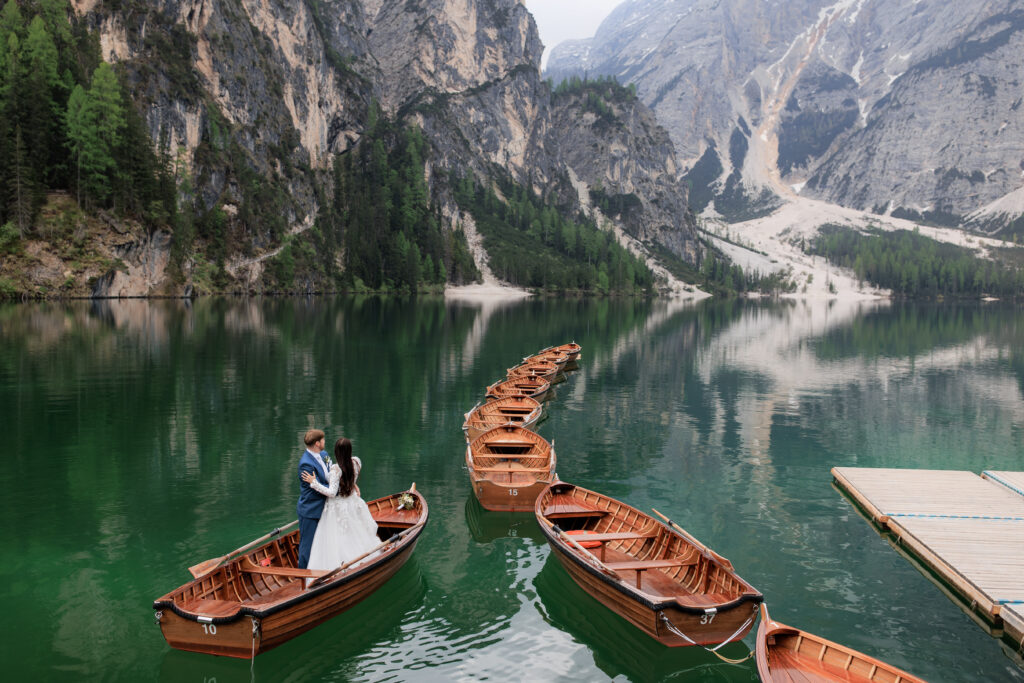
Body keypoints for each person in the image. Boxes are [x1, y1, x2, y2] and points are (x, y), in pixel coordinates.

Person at [300, 437, 380, 572]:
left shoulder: (336, 470)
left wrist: (314, 483)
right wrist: (353, 485)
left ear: (337, 452)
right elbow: (350, 478)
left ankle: (339, 566)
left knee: (337, 538)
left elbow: (331, 493)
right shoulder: (356, 462)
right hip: (352, 503)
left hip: (337, 507)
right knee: (354, 533)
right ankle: (361, 560)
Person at [296, 429, 330, 569]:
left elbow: (330, 474)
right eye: (323, 440)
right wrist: (339, 488)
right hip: (311, 510)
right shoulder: (306, 464)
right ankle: (303, 578)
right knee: (307, 547)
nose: (324, 442)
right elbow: (319, 488)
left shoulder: (324, 454)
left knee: (323, 542)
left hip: (325, 508)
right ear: (317, 443)